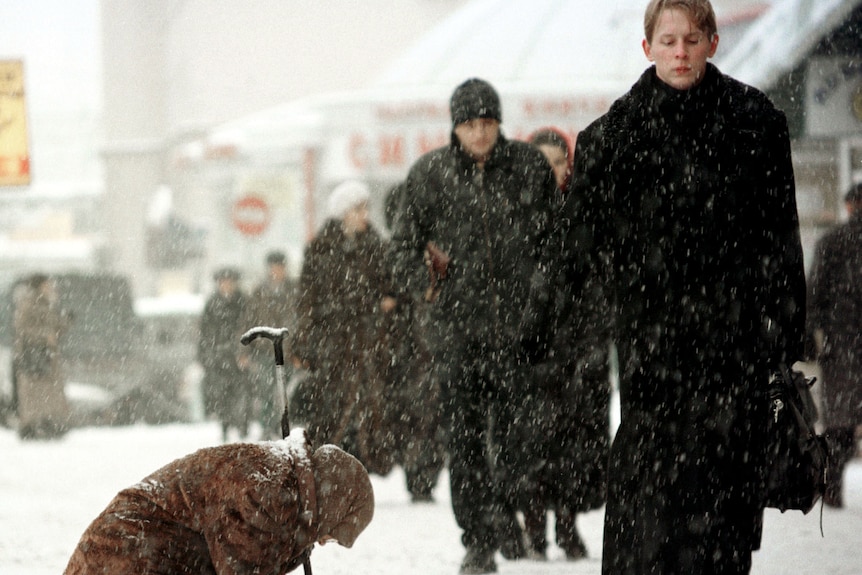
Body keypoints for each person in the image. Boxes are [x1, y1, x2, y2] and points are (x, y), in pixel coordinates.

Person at [566, 1, 807, 573]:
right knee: (646, 532)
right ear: (646, 49)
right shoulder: (612, 138)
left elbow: (781, 239)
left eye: (692, 40)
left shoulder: (756, 125)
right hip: (652, 360)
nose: (680, 52)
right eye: (668, 41)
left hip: (734, 356)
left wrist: (786, 332)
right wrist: (562, 332)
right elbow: (576, 253)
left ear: (714, 43)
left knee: (720, 536)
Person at [388, 78, 558, 574]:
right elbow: (401, 247)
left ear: (499, 123)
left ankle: (507, 517)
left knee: (516, 441)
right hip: (455, 333)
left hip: (520, 331)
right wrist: (427, 285)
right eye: (469, 125)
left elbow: (556, 243)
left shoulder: (528, 168)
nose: (479, 133)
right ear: (455, 127)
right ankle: (478, 539)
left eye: (487, 123)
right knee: (464, 443)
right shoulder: (430, 174)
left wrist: (539, 298)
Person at [63, 429, 374, 575]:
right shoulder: (268, 491)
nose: (325, 541)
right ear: (333, 504)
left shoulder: (284, 488)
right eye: (335, 532)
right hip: (126, 555)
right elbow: (242, 569)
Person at [519, 127, 611, 560]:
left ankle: (569, 525)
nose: (549, 171)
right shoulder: (516, 215)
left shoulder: (586, 213)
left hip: (577, 348)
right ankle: (534, 528)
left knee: (576, 445)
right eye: (541, 162)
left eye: (557, 162)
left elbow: (599, 283)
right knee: (533, 444)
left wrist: (592, 341)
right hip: (531, 348)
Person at [289, 180, 398, 476]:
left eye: (366, 208)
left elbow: (391, 289)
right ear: (343, 213)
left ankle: (360, 469)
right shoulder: (320, 249)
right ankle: (328, 467)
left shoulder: (376, 246)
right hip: (333, 341)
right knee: (333, 407)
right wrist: (303, 340)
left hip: (369, 340)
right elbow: (308, 298)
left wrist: (382, 304)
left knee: (370, 407)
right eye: (357, 209)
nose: (364, 215)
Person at [383, 182, 446, 503]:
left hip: (428, 344)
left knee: (428, 414)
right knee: (415, 414)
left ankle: (423, 475)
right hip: (405, 347)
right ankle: (417, 473)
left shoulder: (434, 251)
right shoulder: (396, 253)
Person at [807, 181, 862, 509]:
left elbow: (815, 294)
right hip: (847, 340)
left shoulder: (832, 242)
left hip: (841, 342)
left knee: (839, 420)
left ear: (848, 206)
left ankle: (833, 486)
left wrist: (813, 335)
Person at [240, 250, 298, 440]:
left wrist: (299, 349)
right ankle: (267, 427)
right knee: (266, 391)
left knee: (286, 392)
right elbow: (248, 321)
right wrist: (244, 351)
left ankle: (283, 427)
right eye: (273, 268)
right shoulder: (259, 292)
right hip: (265, 350)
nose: (276, 272)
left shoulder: (294, 290)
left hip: (289, 351)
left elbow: (302, 320)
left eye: (279, 267)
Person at [13, 273, 72, 440]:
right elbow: (23, 329)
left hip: (46, 355)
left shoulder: (46, 303)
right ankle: (32, 426)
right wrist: (45, 335)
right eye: (47, 285)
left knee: (48, 391)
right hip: (33, 355)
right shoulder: (29, 303)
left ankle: (49, 423)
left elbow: (53, 328)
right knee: (34, 392)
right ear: (39, 286)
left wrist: (65, 322)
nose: (51, 288)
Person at [198, 267, 252, 442]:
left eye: (230, 281)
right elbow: (204, 332)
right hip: (219, 356)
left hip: (239, 355)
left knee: (243, 392)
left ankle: (242, 425)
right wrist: (205, 355)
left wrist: (246, 352)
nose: (227, 285)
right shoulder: (212, 303)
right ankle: (225, 425)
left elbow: (249, 326)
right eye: (223, 282)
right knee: (222, 394)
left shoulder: (243, 301)